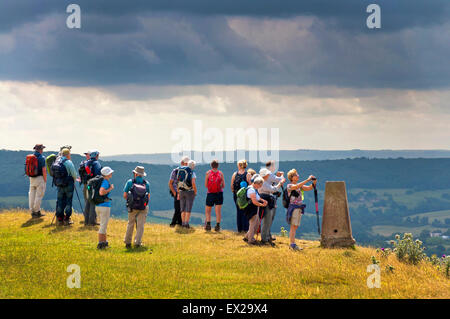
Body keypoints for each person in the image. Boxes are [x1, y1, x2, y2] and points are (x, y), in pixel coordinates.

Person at [286, 169, 316, 251]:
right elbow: (296, 187)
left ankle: (293, 244)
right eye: (296, 174)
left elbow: (310, 188)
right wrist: (307, 179)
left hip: (299, 207)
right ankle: (292, 244)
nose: (298, 175)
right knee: (293, 226)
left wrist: (314, 182)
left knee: (295, 226)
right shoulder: (289, 186)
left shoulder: (300, 186)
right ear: (292, 177)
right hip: (293, 207)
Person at [123, 166, 150, 249]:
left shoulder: (130, 182)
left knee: (130, 223)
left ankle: (128, 242)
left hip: (132, 206)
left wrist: (131, 200)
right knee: (140, 225)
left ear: (135, 173)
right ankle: (137, 243)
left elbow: (125, 195)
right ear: (142, 175)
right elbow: (148, 196)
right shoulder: (146, 183)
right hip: (143, 207)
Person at [259, 168, 285, 246]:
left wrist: (280, 178)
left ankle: (267, 237)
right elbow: (274, 189)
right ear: (264, 175)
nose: (268, 175)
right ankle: (264, 239)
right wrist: (280, 183)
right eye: (267, 174)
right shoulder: (263, 183)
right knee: (267, 220)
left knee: (269, 219)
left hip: (268, 200)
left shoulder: (264, 180)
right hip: (266, 200)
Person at [53, 148, 78, 226]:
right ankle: (67, 219)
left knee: (60, 201)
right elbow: (74, 174)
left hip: (59, 184)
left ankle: (59, 218)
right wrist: (74, 181)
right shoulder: (68, 162)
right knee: (68, 201)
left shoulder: (57, 161)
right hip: (68, 184)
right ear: (67, 154)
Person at [243, 175, 268, 245]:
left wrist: (263, 200)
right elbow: (254, 202)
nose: (260, 187)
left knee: (256, 224)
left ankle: (247, 237)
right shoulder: (251, 190)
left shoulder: (254, 189)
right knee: (253, 225)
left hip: (254, 209)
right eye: (260, 185)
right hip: (251, 209)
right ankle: (250, 240)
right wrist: (262, 205)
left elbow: (258, 198)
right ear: (257, 183)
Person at [230, 159, 251, 232]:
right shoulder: (248, 174)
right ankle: (245, 228)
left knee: (239, 211)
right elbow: (250, 185)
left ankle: (239, 229)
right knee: (245, 211)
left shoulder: (235, 174)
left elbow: (232, 186)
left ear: (239, 165)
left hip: (236, 195)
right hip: (245, 196)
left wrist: (234, 192)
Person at [26, 144, 47, 218]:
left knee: (31, 195)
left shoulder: (30, 157)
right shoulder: (42, 158)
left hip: (31, 178)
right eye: (42, 149)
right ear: (40, 149)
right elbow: (44, 170)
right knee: (39, 195)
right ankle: (37, 212)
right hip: (40, 178)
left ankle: (32, 211)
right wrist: (45, 180)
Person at [168, 156, 189, 227]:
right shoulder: (176, 171)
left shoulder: (188, 172)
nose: (186, 165)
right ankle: (173, 223)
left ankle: (179, 223)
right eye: (185, 163)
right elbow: (170, 183)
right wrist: (174, 193)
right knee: (177, 208)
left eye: (187, 164)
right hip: (177, 192)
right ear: (182, 163)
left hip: (184, 192)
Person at [204, 160, 225, 231]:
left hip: (210, 193)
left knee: (208, 210)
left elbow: (206, 185)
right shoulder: (221, 173)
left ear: (211, 165)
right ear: (218, 165)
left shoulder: (208, 173)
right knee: (218, 211)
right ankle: (218, 226)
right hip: (219, 193)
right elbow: (223, 186)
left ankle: (208, 225)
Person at [96, 167, 114, 249]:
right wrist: (110, 188)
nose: (111, 174)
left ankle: (104, 242)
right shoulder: (105, 182)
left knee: (103, 224)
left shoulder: (99, 181)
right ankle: (100, 243)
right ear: (107, 174)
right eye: (110, 173)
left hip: (98, 205)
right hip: (104, 206)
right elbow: (101, 192)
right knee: (103, 225)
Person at [84, 150, 102, 226]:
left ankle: (86, 220)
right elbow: (98, 174)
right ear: (96, 156)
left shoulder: (87, 162)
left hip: (88, 183)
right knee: (93, 202)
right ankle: (92, 221)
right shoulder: (96, 163)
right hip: (94, 184)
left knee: (88, 201)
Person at [178, 160, 197, 228]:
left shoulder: (182, 171)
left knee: (182, 208)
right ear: (193, 166)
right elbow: (193, 183)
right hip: (190, 191)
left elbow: (178, 181)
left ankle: (182, 223)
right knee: (188, 208)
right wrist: (195, 191)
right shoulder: (192, 173)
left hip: (181, 191)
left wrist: (178, 192)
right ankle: (186, 223)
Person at [78, 151, 92, 225]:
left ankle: (87, 217)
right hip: (90, 184)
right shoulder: (91, 164)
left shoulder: (83, 163)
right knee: (90, 201)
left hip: (85, 184)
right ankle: (90, 218)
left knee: (86, 201)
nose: (87, 156)